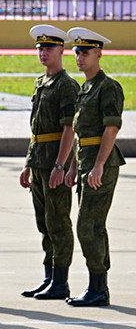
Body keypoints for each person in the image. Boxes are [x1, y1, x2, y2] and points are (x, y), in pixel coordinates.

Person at [65, 27, 124, 307]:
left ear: (99, 54)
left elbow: (111, 128)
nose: (79, 57)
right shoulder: (86, 87)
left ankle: (98, 287)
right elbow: (80, 134)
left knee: (88, 224)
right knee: (91, 224)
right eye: (76, 52)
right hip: (86, 161)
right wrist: (75, 167)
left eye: (85, 52)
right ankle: (97, 286)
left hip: (102, 162)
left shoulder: (108, 87)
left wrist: (99, 165)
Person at [19, 25, 78, 300]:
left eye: (49, 48)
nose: (43, 53)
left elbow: (69, 129)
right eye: (40, 48)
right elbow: (36, 130)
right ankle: (49, 277)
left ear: (61, 51)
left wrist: (60, 165)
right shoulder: (41, 83)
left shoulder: (67, 86)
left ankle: (61, 281)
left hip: (54, 163)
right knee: (44, 223)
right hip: (39, 161)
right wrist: (28, 163)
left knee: (58, 222)